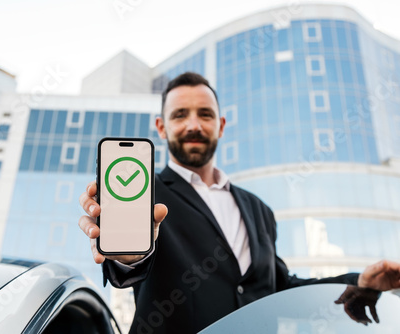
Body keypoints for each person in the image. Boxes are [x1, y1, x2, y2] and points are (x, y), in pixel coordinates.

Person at [78, 72, 400, 333]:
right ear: (162, 127)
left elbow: (281, 286)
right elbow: (128, 267)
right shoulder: (145, 194)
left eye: (205, 114)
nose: (194, 125)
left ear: (221, 125)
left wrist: (359, 281)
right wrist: (128, 257)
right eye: (180, 115)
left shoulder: (259, 210)